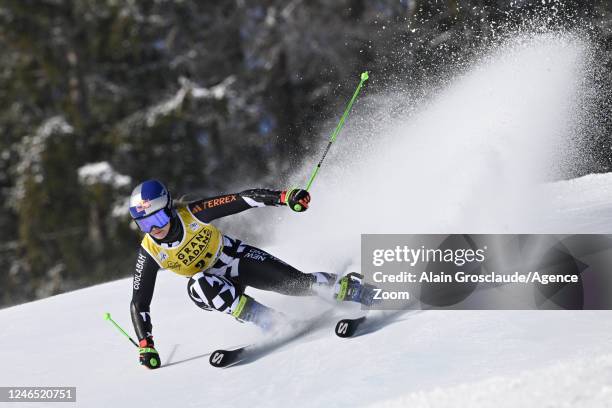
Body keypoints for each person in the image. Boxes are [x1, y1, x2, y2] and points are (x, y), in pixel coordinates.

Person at [128, 179, 376, 369]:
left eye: (158, 218)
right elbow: (139, 301)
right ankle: (270, 321)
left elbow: (241, 199)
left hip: (237, 259)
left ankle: (352, 288)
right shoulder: (149, 251)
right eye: (145, 224)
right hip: (217, 287)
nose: (155, 229)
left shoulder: (193, 214)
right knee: (199, 283)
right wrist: (145, 345)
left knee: (297, 284)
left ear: (170, 209)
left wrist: (284, 197)